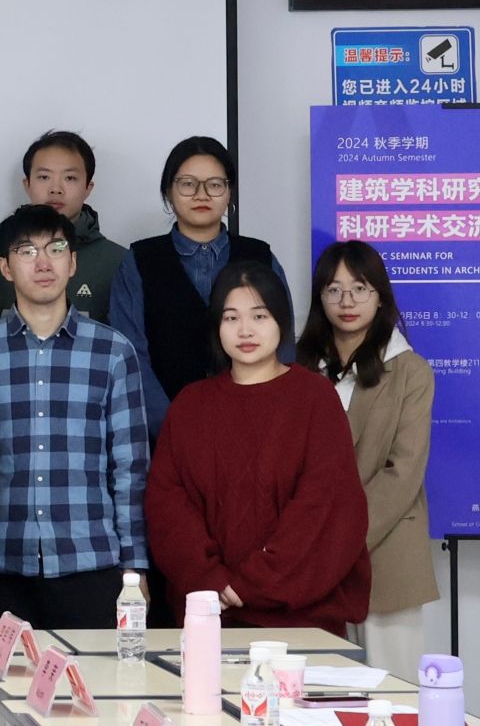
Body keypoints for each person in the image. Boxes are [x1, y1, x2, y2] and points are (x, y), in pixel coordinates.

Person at [146, 261, 368, 635]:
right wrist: (210, 579)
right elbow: (167, 503)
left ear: (281, 321)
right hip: (211, 615)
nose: (245, 330)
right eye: (231, 318)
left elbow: (326, 506)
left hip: (302, 621)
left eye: (259, 316)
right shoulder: (191, 405)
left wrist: (252, 583)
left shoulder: (314, 398)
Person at [0, 206, 149, 628]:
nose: (43, 262)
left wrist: (135, 567)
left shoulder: (113, 351)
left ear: (73, 261)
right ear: (5, 267)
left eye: (56, 248)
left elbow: (130, 468)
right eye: (26, 251)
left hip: (91, 561)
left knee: (96, 675)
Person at [296, 241, 437, 675]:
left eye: (360, 288)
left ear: (380, 296)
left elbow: (403, 472)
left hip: (385, 551)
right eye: (334, 290)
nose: (347, 301)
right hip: (307, 556)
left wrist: (340, 541)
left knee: (393, 692)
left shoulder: (410, 370)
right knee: (318, 691)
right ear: (320, 297)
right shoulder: (299, 369)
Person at [111, 136, 292, 434]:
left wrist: (262, 416)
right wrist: (175, 426)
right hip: (164, 435)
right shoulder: (139, 261)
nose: (201, 195)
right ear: (168, 191)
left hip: (255, 429)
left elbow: (282, 345)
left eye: (215, 184)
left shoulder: (260, 257)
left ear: (229, 192)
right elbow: (130, 355)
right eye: (188, 184)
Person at [0, 131, 125, 323]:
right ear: (27, 184)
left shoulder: (120, 264)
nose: (55, 189)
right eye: (44, 177)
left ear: (88, 188)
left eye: (70, 178)